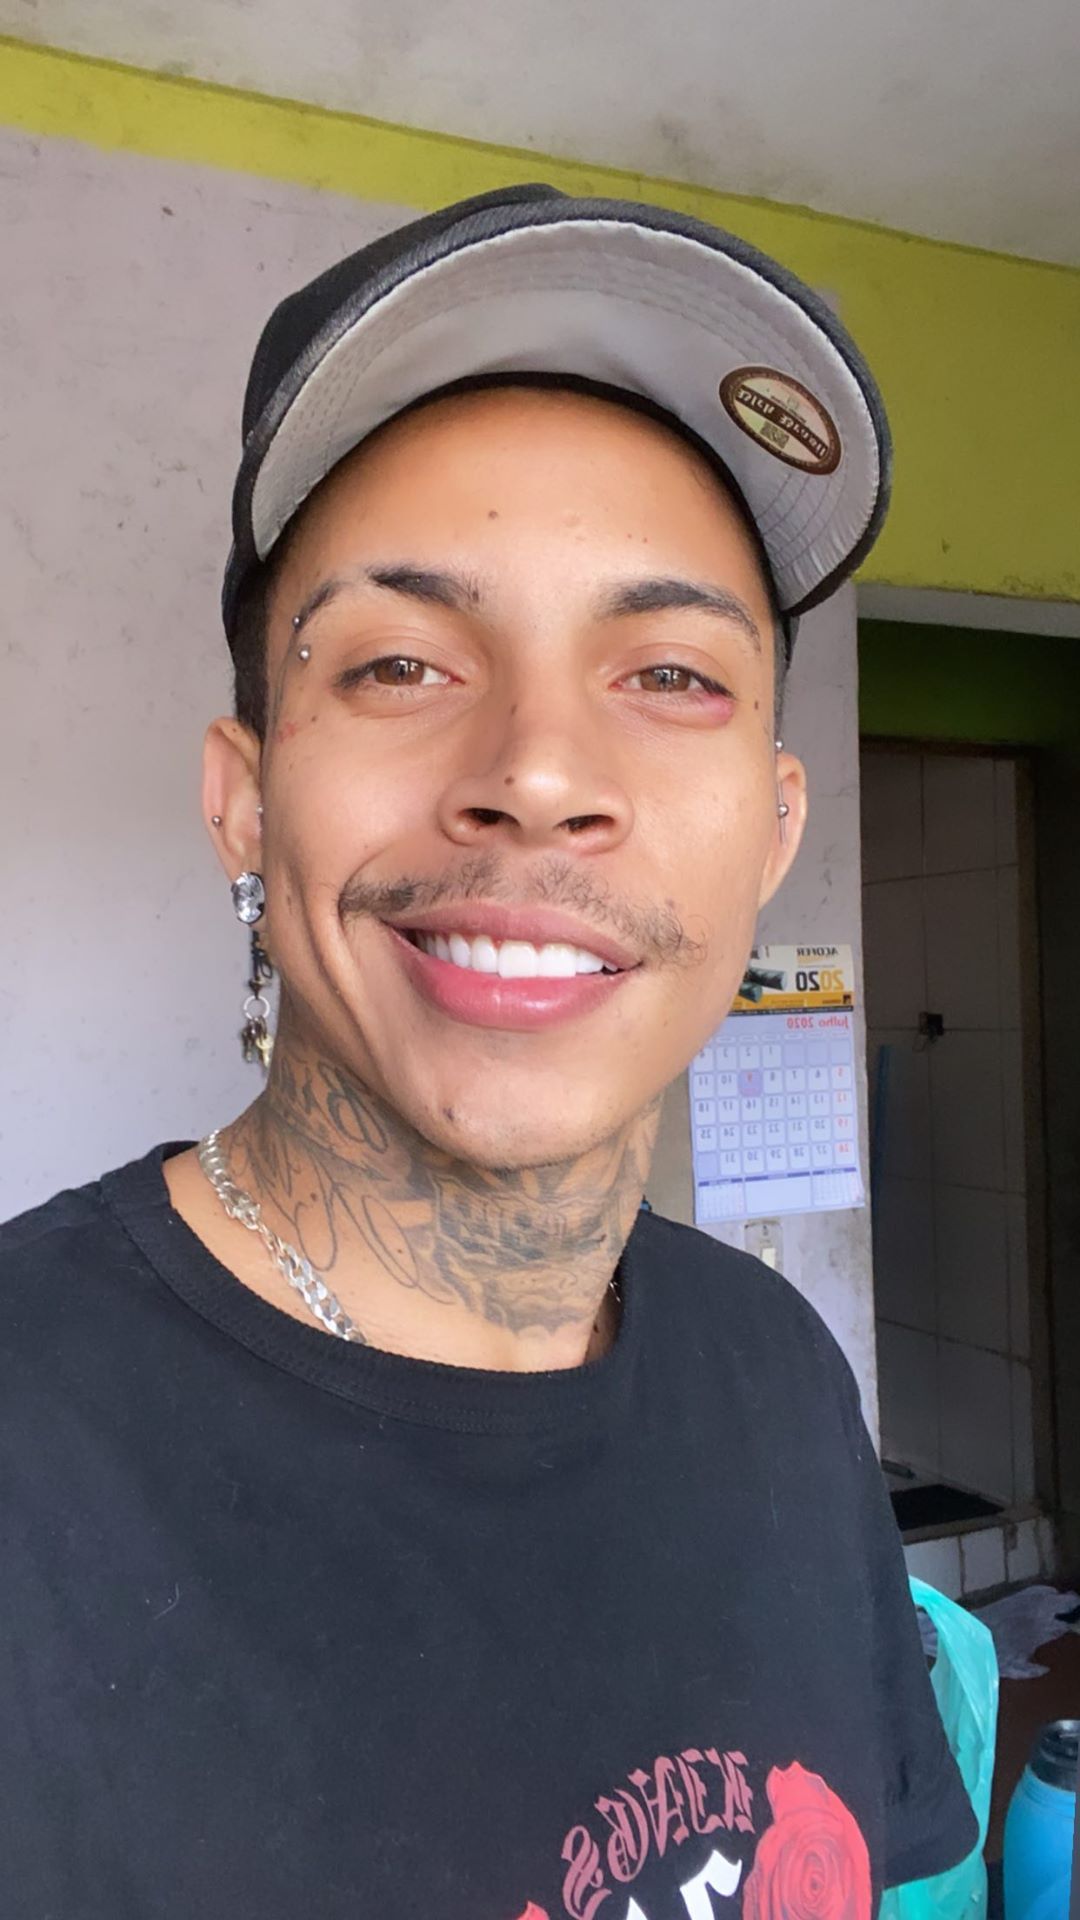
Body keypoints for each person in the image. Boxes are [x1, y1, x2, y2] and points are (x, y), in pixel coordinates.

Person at [0, 185, 976, 1919]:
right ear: (244, 802)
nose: (537, 772)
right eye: (400, 662)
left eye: (668, 676)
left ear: (771, 829)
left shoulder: (777, 1374)